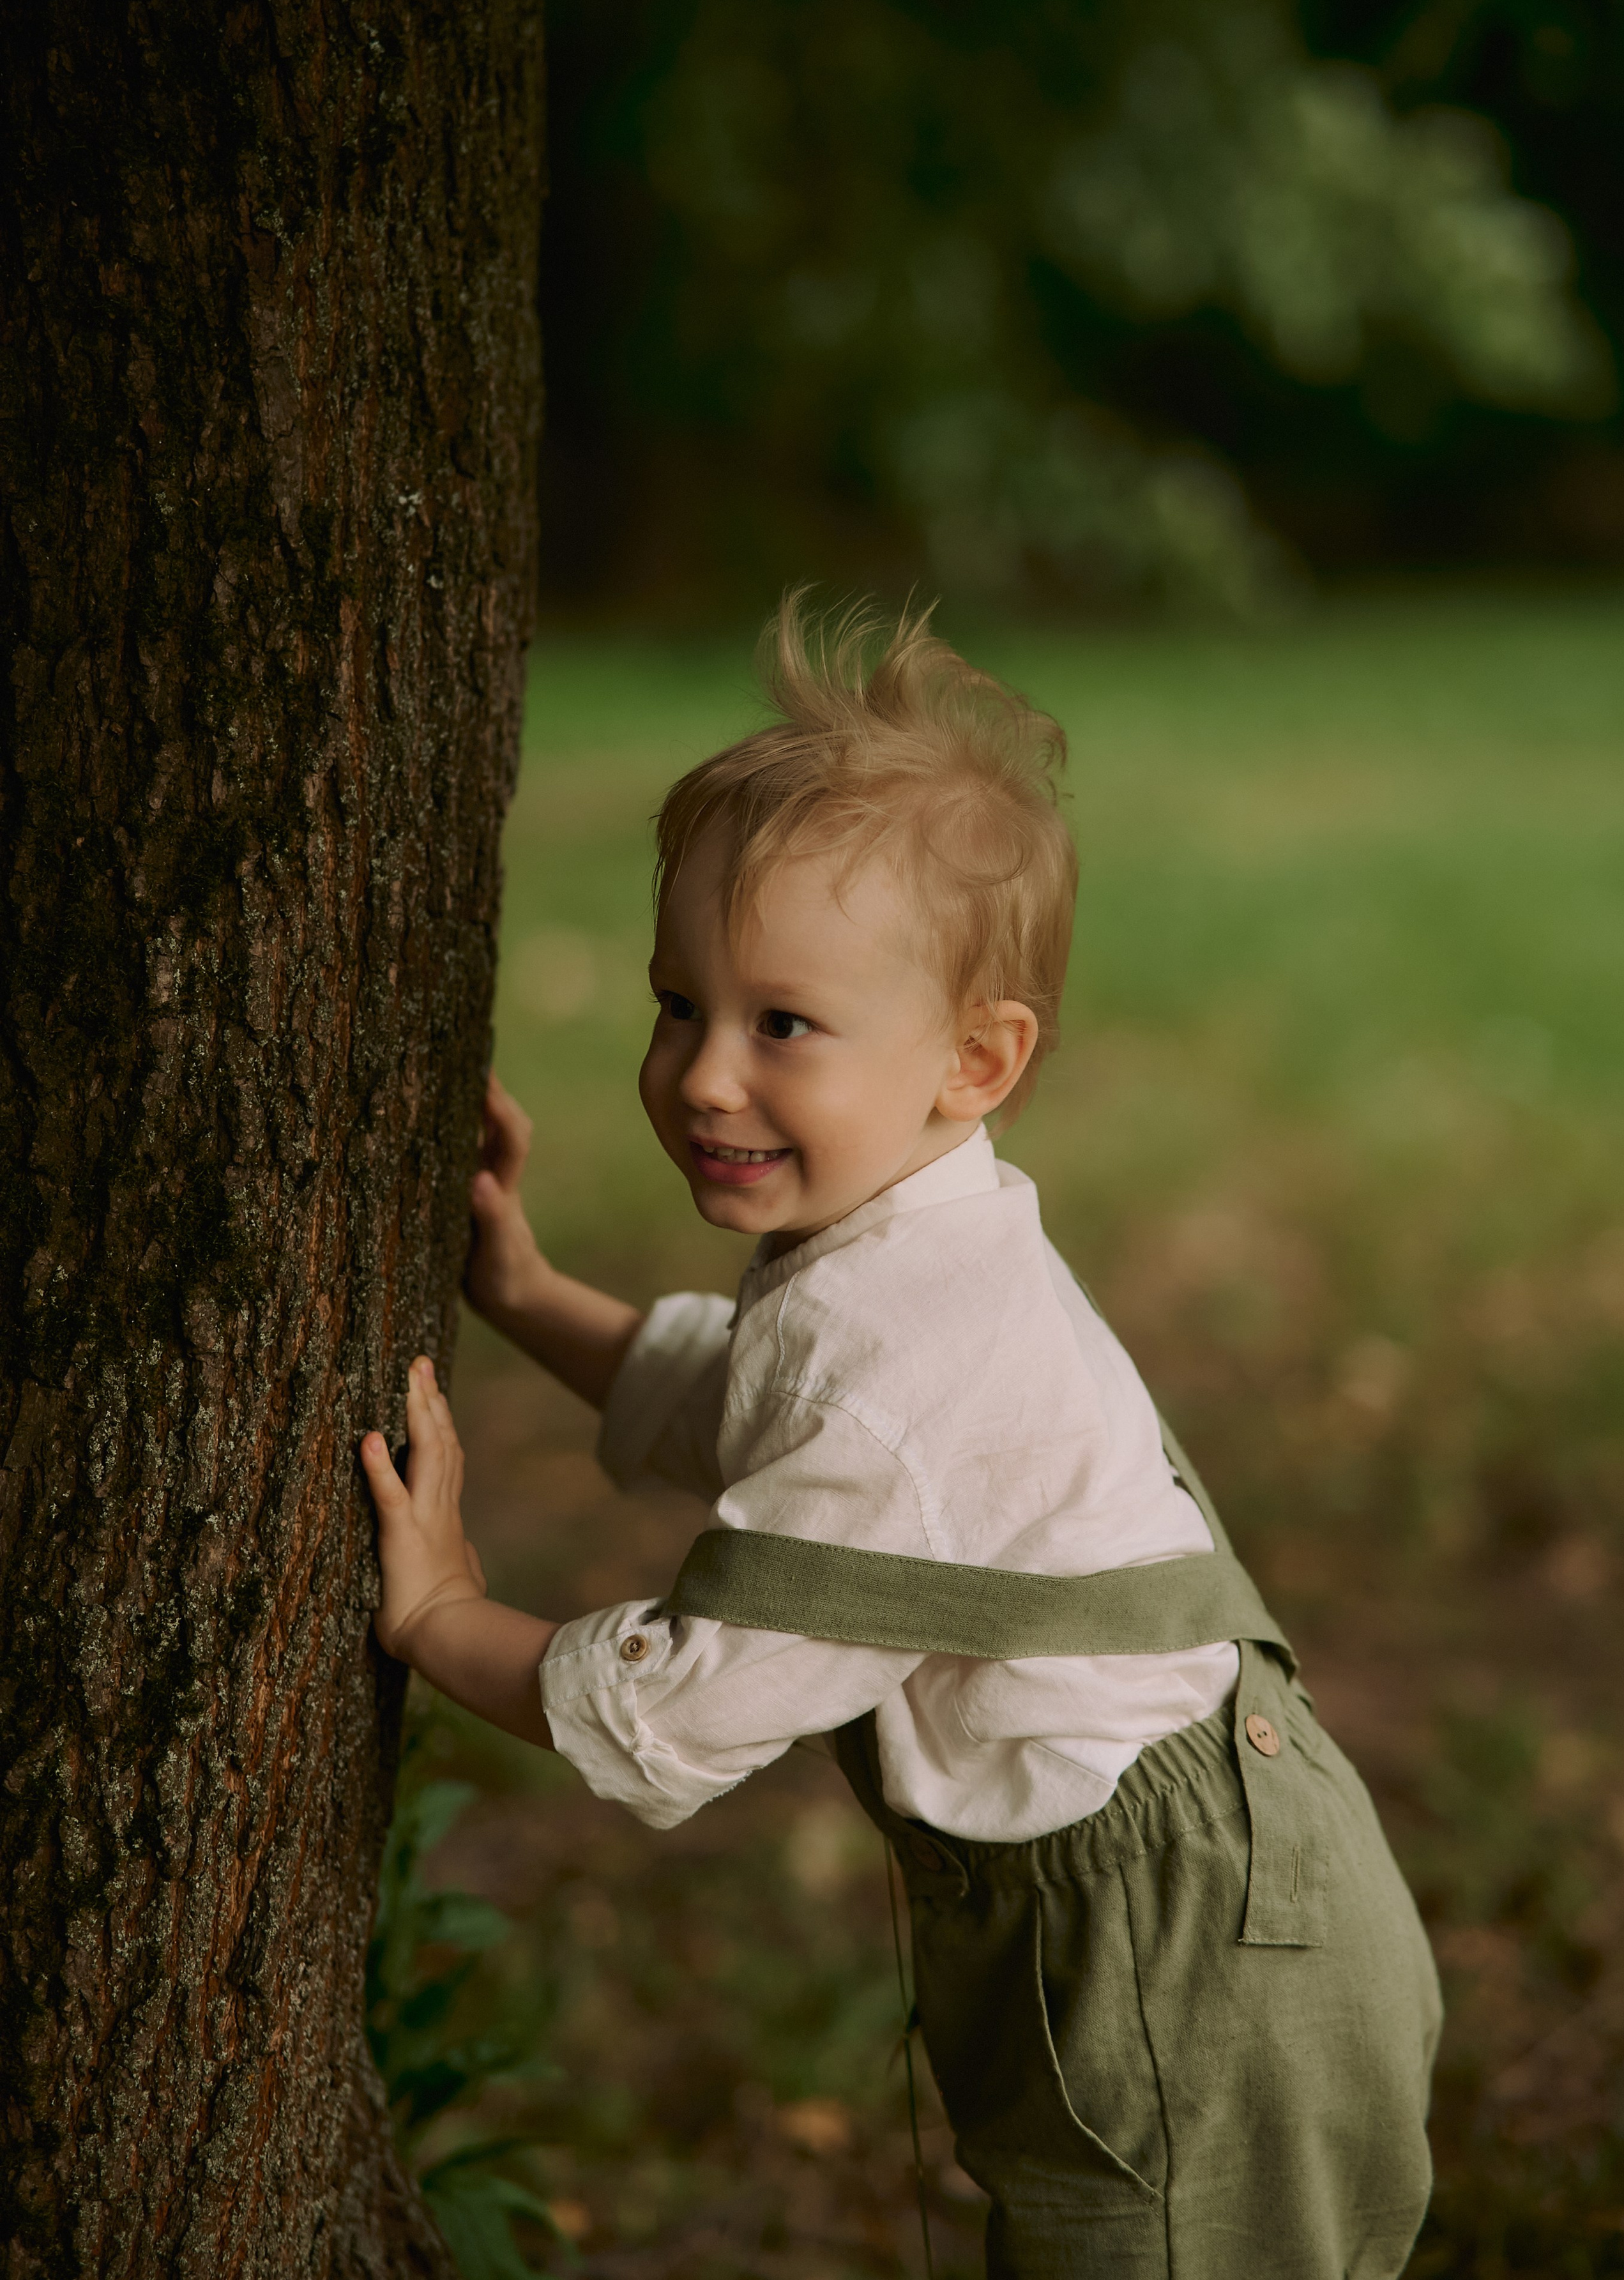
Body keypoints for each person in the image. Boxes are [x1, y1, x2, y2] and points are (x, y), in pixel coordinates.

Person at [360, 598, 1442, 2279]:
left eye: (781, 1024)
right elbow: (768, 1407)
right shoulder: (912, 1254)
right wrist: (527, 1291)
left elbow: (681, 1705)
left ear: (976, 1059)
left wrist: (438, 1618)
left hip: (1190, 1962)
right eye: (677, 1004)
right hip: (1223, 1897)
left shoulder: (900, 1350)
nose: (704, 1076)